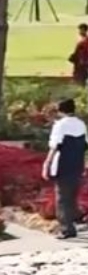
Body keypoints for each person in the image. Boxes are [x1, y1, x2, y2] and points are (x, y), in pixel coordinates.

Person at [42, 98, 87, 239]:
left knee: (62, 198)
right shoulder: (81, 124)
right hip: (77, 164)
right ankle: (75, 220)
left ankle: (67, 229)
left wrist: (46, 164)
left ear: (60, 110)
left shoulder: (60, 125)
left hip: (63, 164)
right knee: (72, 196)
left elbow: (55, 146)